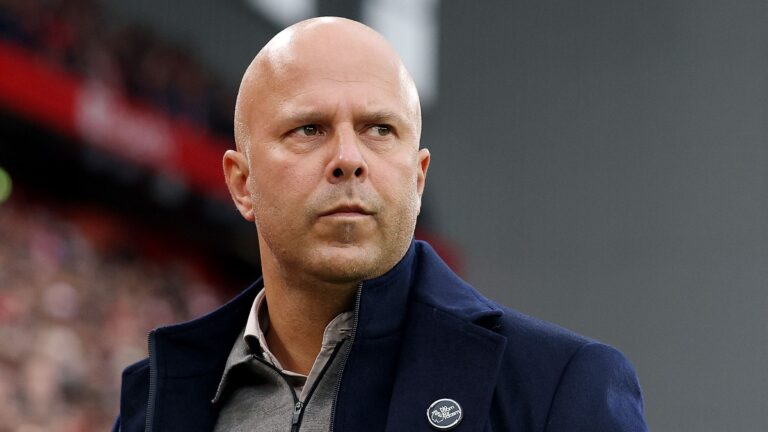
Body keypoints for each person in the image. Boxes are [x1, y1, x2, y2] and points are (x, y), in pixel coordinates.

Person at [114, 17, 647, 432]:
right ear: (241, 183)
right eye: (309, 128)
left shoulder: (557, 387)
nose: (348, 158)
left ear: (417, 178)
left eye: (379, 129)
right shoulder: (152, 403)